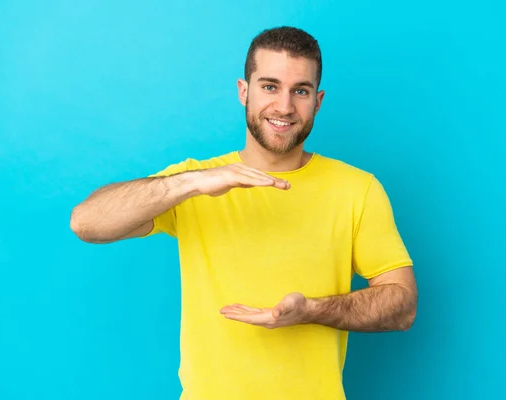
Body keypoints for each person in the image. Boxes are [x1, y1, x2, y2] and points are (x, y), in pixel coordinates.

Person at [70, 26, 418, 400]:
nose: (284, 106)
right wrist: (191, 183)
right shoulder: (196, 181)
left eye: (299, 91)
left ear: (317, 101)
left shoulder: (357, 189)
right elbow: (87, 223)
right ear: (243, 91)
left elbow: (402, 307)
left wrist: (312, 310)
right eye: (269, 86)